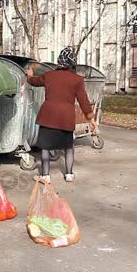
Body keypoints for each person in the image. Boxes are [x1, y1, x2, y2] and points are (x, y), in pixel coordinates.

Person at [26, 47, 96, 183]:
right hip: (66, 118)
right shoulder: (77, 79)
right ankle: (69, 174)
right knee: (68, 146)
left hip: (48, 116)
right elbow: (84, 101)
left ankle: (45, 176)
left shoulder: (49, 75)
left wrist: (29, 74)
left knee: (45, 147)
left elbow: (33, 82)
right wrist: (91, 119)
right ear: (72, 62)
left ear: (59, 61)